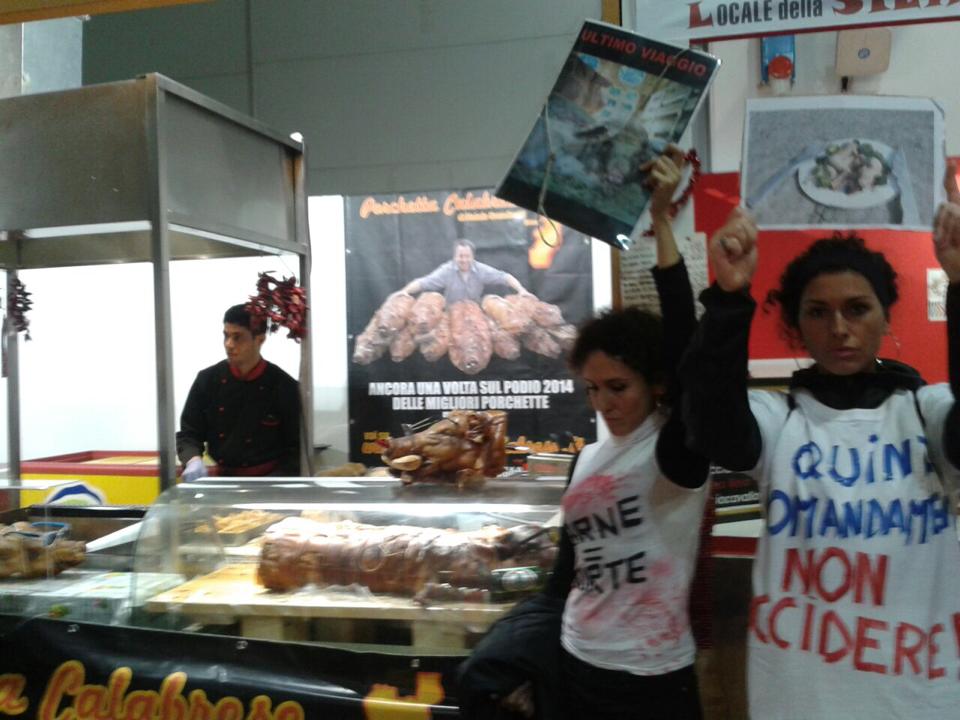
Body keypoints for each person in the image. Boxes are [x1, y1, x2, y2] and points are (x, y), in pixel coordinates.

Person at [680, 194, 960, 718]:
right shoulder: (781, 418)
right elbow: (713, 426)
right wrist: (729, 297)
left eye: (857, 308)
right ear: (798, 325)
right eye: (817, 312)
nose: (838, 328)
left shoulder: (927, 410)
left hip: (917, 701)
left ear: (885, 316)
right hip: (799, 701)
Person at [458, 145, 710, 719]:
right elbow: (567, 576)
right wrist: (529, 659)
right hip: (575, 662)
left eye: (618, 387)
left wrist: (662, 219)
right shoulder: (588, 459)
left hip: (652, 676)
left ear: (655, 383)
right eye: (592, 389)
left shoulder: (676, 451)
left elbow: (685, 338)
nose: (603, 403)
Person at [177, 304, 301, 480]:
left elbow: (296, 450)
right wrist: (193, 459)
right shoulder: (208, 380)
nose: (229, 344)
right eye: (226, 336)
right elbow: (189, 433)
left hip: (271, 482)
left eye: (237, 337)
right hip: (224, 480)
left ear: (260, 340)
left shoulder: (283, 385)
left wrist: (276, 483)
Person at [401, 238, 533, 304]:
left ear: (472, 256)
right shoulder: (446, 271)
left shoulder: (481, 270)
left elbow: (505, 277)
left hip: (475, 313)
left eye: (467, 256)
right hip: (452, 314)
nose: (463, 260)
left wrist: (521, 290)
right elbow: (424, 282)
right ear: (454, 257)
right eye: (460, 256)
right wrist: (405, 292)